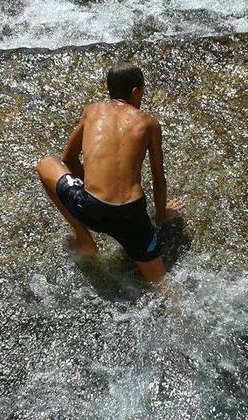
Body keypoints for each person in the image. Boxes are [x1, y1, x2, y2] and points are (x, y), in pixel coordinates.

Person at [36, 63, 184, 283]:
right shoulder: (148, 123)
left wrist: (92, 185)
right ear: (136, 91)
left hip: (90, 208)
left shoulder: (92, 110)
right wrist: (162, 215)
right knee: (163, 286)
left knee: (46, 163)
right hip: (131, 217)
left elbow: (68, 158)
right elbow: (158, 179)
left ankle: (85, 240)